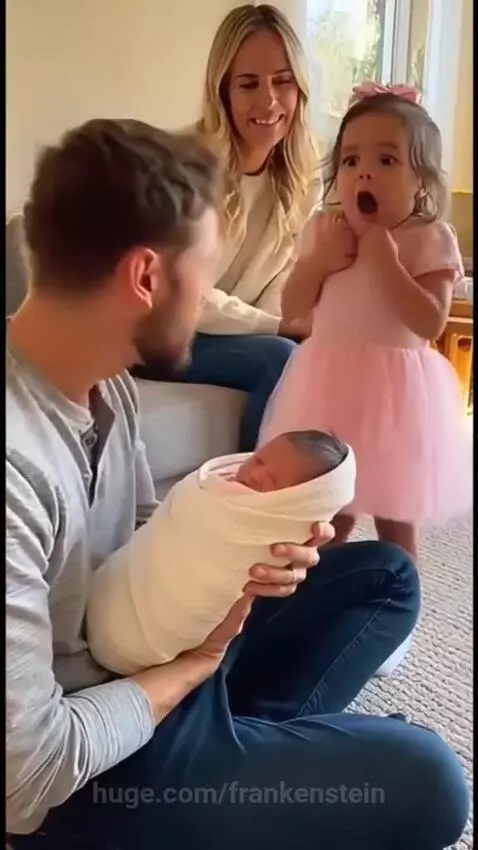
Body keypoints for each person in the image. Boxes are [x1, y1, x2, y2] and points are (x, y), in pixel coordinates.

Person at [6, 118, 469, 850]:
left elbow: (141, 533)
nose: (207, 301)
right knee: (435, 781)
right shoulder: (13, 466)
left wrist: (238, 561)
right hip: (92, 760)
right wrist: (191, 671)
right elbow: (25, 778)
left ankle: (246, 750)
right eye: (206, 276)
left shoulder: (105, 385)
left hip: (149, 653)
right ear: (148, 276)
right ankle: (246, 759)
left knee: (384, 577)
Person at [260, 82, 472, 561]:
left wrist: (385, 260)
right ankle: (321, 602)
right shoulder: (326, 229)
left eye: (387, 160)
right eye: (351, 160)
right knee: (329, 510)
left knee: (397, 516)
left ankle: (399, 608)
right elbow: (293, 306)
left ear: (421, 180)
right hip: (327, 387)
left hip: (397, 399)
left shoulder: (429, 237)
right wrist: (320, 263)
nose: (364, 175)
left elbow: (430, 321)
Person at [133, 4, 343, 452]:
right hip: (161, 330)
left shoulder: (305, 174)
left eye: (283, 81)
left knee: (326, 354)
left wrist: (293, 323)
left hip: (229, 332)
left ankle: (317, 497)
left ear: (299, 88)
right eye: (248, 84)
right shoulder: (185, 163)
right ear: (222, 91)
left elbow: (285, 273)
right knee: (283, 356)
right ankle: (251, 503)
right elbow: (185, 293)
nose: (269, 101)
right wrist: (278, 326)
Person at [87, 430, 356, 673]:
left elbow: (154, 518)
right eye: (259, 461)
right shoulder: (211, 487)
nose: (255, 474)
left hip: (187, 622)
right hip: (166, 653)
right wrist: (207, 656)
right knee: (391, 574)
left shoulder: (278, 524)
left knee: (391, 564)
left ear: (297, 503)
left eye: (274, 481)